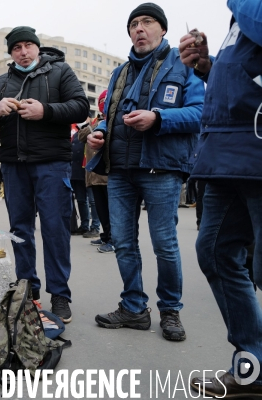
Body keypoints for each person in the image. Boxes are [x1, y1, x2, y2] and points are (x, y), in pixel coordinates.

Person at [87, 3, 204, 341]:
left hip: (161, 167)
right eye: (134, 24)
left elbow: (200, 112)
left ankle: (170, 311)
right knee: (123, 243)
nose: (139, 28)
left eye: (147, 22)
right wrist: (99, 134)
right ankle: (134, 308)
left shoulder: (184, 66)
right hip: (120, 170)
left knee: (164, 244)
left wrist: (159, 118)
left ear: (162, 29)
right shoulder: (120, 71)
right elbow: (109, 115)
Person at [0, 26, 90, 323]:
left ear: (37, 48)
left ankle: (60, 295)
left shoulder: (60, 72)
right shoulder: (2, 82)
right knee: (20, 231)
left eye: (28, 45)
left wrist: (46, 111)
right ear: (11, 53)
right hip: (14, 165)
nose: (23, 51)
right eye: (17, 48)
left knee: (55, 229)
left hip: (52, 163)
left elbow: (81, 107)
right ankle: (28, 289)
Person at [179, 1, 262, 396]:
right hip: (228, 152)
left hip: (254, 151)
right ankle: (254, 365)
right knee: (214, 251)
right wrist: (208, 65)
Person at [78, 90, 114, 253]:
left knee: (111, 210)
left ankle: (114, 239)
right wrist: (85, 125)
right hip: (93, 174)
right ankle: (106, 235)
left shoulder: (113, 122)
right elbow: (81, 137)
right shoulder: (95, 121)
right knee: (100, 209)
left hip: (107, 174)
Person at [70, 127, 99, 237]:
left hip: (90, 171)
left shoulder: (94, 127)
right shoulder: (76, 132)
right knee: (81, 201)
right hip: (76, 172)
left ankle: (95, 227)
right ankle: (84, 225)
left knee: (93, 201)